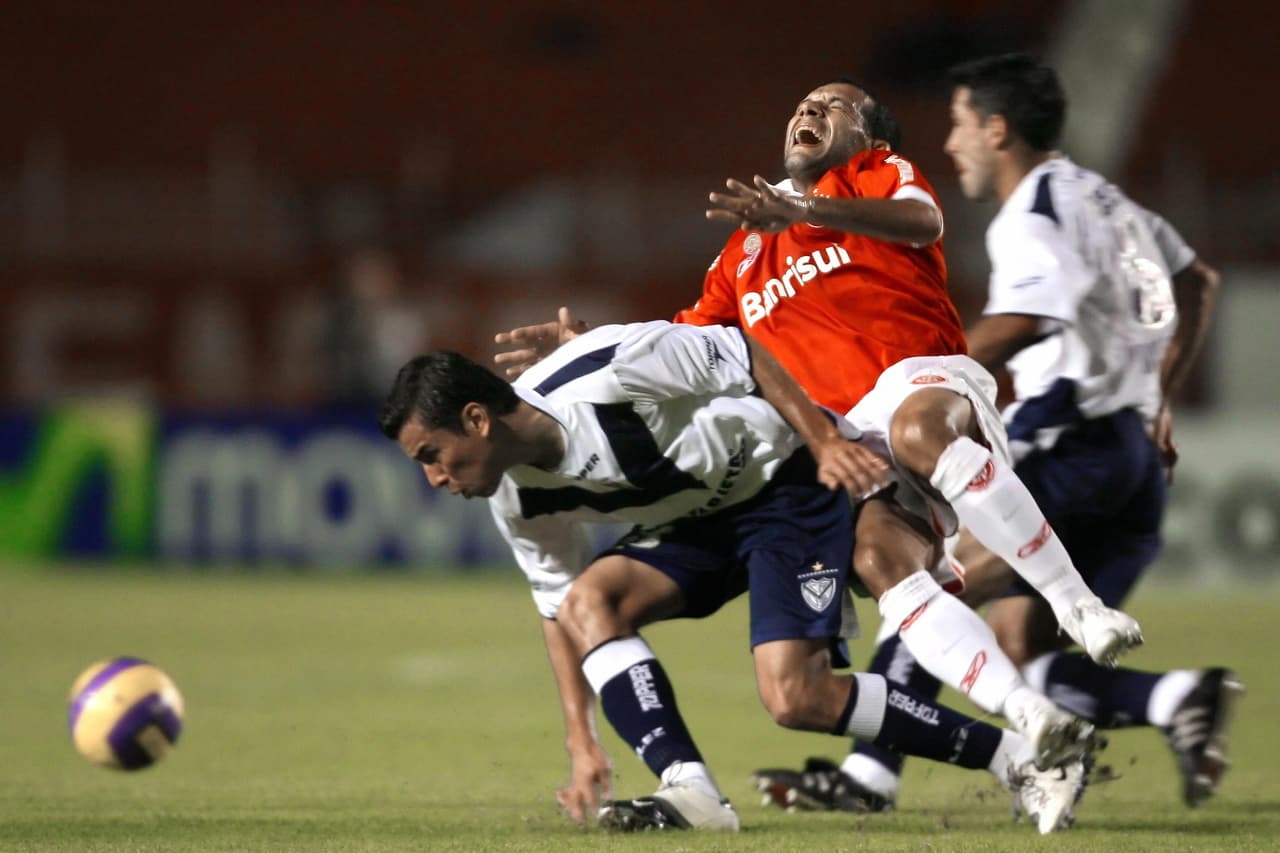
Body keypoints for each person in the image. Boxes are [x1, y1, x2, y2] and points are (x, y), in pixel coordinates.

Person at [495, 78, 1138, 779]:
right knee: (879, 562)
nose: (807, 109)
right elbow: (682, 338)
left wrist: (801, 206)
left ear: (871, 136)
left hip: (923, 382)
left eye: (832, 105)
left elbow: (923, 222)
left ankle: (1079, 607)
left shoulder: (873, 176)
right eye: (800, 103)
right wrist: (587, 344)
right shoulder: (743, 251)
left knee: (919, 431)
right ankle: (1035, 726)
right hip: (846, 440)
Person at [754, 53, 1240, 814]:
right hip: (1133, 453)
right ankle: (1177, 694)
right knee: (1020, 646)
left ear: (997, 128)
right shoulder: (1105, 199)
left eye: (960, 125)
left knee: (920, 576)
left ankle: (872, 776)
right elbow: (1198, 282)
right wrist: (1159, 396)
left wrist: (923, 370)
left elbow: (1027, 318)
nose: (953, 144)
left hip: (1064, 435)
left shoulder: (1032, 211)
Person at [381, 320, 1089, 834]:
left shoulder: (603, 372)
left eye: (431, 454)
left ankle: (1021, 758)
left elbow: (741, 350)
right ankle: (690, 788)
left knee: (795, 696)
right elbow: (557, 605)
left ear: (476, 419)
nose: (435, 478)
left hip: (783, 482)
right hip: (703, 515)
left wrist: (824, 443)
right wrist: (581, 739)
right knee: (591, 599)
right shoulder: (513, 493)